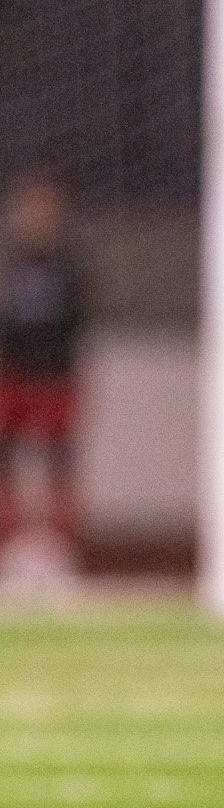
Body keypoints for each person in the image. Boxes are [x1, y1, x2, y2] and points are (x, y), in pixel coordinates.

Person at [0, 165, 88, 579]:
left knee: (60, 460)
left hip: (56, 378)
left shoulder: (70, 265)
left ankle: (60, 548)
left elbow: (78, 321)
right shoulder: (9, 264)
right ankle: (9, 543)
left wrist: (61, 367)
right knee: (6, 457)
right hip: (13, 375)